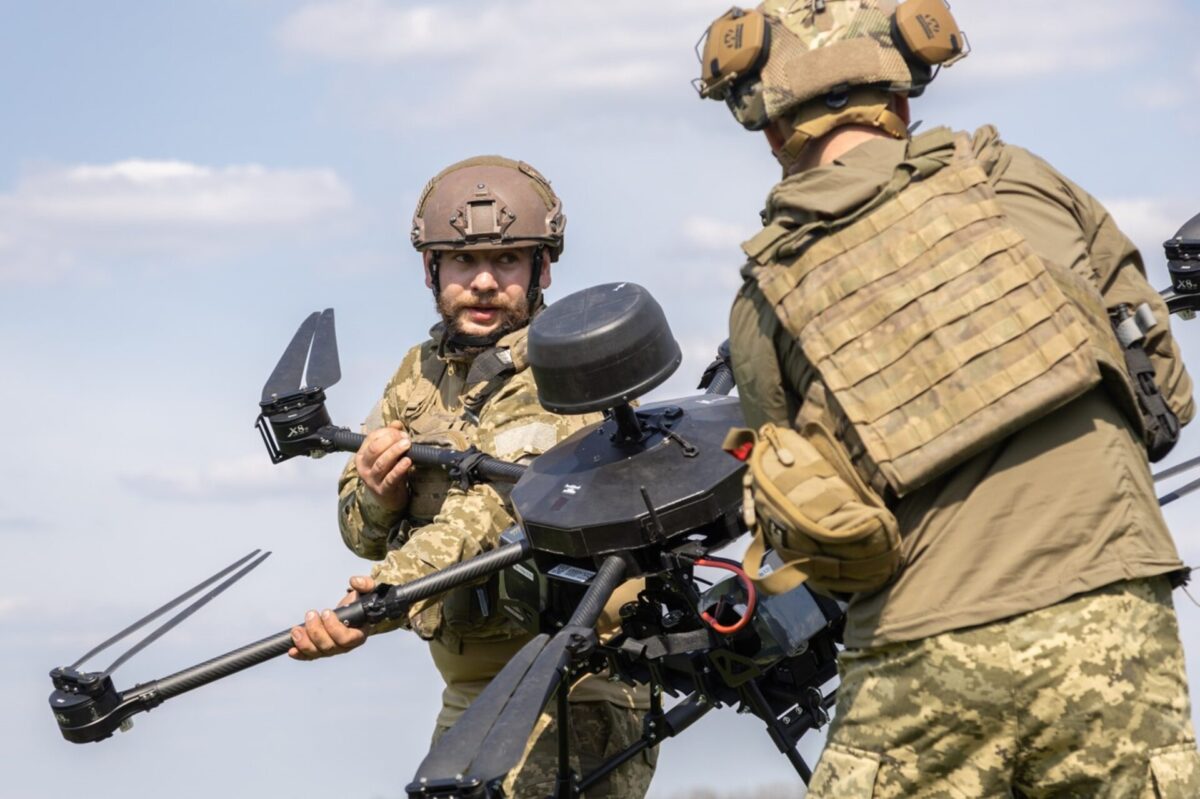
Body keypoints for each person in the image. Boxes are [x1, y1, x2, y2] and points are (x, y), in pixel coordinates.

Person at [696, 1, 1200, 795]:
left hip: (918, 655)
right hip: (1114, 621)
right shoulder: (1026, 182)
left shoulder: (763, 301)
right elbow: (1164, 396)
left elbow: (799, 516)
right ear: (902, 97)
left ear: (770, 130)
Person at [287, 156, 654, 798]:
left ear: (542, 268)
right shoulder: (419, 374)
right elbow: (356, 525)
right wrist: (379, 495)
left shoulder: (560, 370)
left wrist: (375, 602)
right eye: (462, 263)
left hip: (575, 684)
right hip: (472, 690)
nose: (484, 282)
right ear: (432, 270)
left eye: (508, 261)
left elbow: (489, 516)